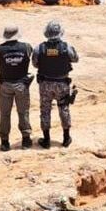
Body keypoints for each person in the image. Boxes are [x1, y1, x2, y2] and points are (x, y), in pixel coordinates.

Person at [33, 20, 79, 149]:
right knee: (64, 108)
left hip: (45, 83)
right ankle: (66, 138)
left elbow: (35, 64)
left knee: (45, 110)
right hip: (62, 83)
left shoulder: (39, 48)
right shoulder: (66, 47)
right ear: (60, 33)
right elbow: (75, 59)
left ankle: (46, 140)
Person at [0, 25, 33, 151]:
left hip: (5, 85)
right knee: (23, 112)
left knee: (5, 113)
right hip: (22, 85)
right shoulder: (26, 47)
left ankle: (4, 142)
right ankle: (26, 140)